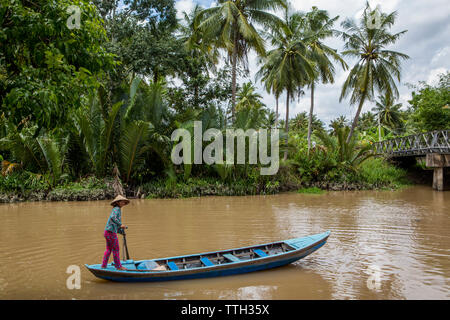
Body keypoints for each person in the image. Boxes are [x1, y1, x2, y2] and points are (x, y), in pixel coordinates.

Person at [101, 195, 130, 270]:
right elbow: (113, 218)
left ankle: (104, 265)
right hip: (110, 232)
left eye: (124, 202)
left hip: (107, 231)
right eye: (122, 201)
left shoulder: (116, 209)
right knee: (116, 249)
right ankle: (118, 266)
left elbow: (114, 224)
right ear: (118, 202)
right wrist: (121, 224)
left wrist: (121, 231)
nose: (123, 203)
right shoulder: (117, 209)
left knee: (109, 249)